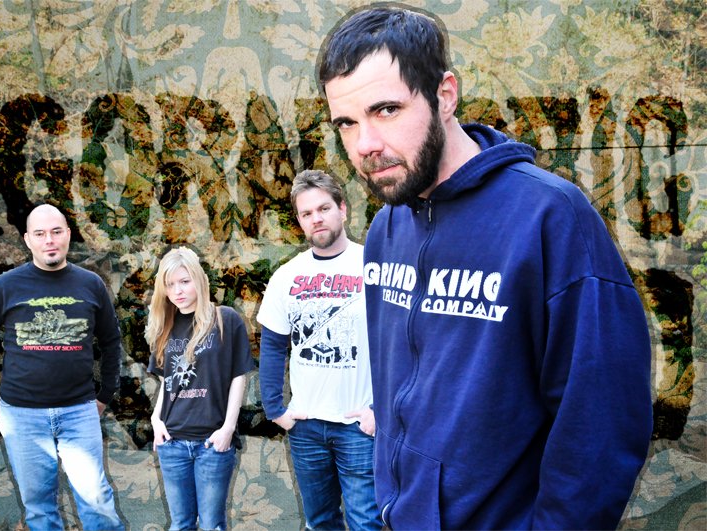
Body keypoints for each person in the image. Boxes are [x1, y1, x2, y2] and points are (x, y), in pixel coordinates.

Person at [317, 6, 654, 530]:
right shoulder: (386, 228)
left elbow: (601, 427)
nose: (365, 145)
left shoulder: (549, 218)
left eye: (386, 110)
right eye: (347, 122)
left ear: (445, 95)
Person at [0, 204, 124, 530]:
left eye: (56, 231)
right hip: (22, 417)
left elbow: (111, 341)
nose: (49, 240)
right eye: (40, 233)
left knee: (97, 501)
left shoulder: (91, 284)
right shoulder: (6, 285)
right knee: (39, 507)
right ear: (28, 240)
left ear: (68, 235)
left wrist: (105, 394)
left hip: (79, 411)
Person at [257, 169, 381, 531]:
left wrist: (381, 410)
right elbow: (273, 345)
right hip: (306, 426)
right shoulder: (286, 276)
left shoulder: (372, 267)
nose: (317, 218)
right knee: (320, 522)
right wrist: (275, 409)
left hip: (358, 425)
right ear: (299, 221)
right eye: (307, 213)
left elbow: (400, 344)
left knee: (366, 523)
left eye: (324, 208)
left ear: (342, 209)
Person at [145, 247, 256, 531]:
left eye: (185, 281)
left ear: (199, 279)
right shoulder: (164, 327)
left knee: (211, 525)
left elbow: (238, 376)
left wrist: (228, 429)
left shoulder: (225, 319)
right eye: (170, 284)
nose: (178, 291)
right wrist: (156, 419)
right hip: (172, 442)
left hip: (211, 443)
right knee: (181, 524)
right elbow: (167, 382)